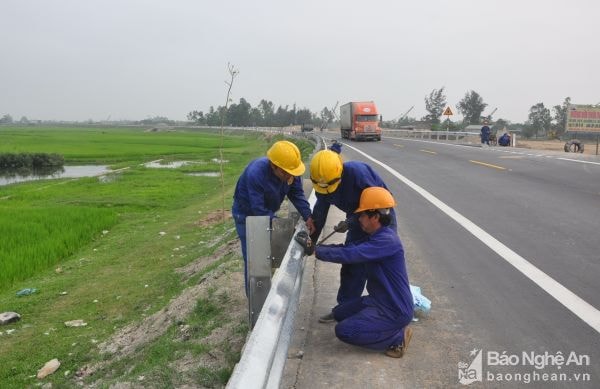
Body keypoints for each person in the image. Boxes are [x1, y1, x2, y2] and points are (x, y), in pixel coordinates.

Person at [313, 187, 413, 358]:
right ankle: (383, 326)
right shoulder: (375, 236)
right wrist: (317, 247)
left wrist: (316, 252)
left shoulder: (387, 241)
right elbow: (349, 248)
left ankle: (397, 337)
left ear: (375, 217)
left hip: (393, 308)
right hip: (377, 300)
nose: (359, 219)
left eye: (362, 215)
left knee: (344, 331)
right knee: (339, 314)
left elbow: (350, 254)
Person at [309, 150, 397, 322]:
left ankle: (388, 310)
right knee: (351, 265)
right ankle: (344, 310)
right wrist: (311, 242)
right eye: (322, 188)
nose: (326, 191)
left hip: (379, 216)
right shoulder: (322, 182)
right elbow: (319, 212)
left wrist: (351, 221)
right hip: (358, 219)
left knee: (380, 265)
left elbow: (376, 208)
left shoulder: (358, 174)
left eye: (330, 186)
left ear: (340, 172)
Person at [232, 140, 315, 294]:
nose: (289, 176)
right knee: (254, 258)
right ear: (273, 166)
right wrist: (284, 227)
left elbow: (296, 194)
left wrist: (308, 215)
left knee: (269, 253)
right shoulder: (256, 173)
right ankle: (255, 299)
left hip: (267, 210)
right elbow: (259, 211)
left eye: (292, 172)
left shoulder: (291, 172)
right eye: (285, 172)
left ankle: (268, 286)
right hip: (246, 215)